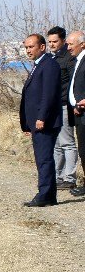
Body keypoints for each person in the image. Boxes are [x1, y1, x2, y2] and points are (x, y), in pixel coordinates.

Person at [19, 33, 63, 207]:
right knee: (42, 158)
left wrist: (41, 117)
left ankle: (44, 194)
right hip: (36, 121)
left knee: (44, 159)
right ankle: (49, 195)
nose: (28, 51)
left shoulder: (49, 65)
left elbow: (49, 94)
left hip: (45, 121)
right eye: (26, 47)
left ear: (42, 47)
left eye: (31, 47)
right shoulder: (38, 65)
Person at [47, 26, 77, 189]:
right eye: (49, 41)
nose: (52, 44)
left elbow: (72, 83)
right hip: (54, 107)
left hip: (65, 105)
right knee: (57, 144)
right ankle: (58, 177)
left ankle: (70, 178)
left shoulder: (69, 58)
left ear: (63, 41)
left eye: (55, 41)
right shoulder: (52, 58)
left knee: (67, 143)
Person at [66, 31, 85, 197]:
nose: (68, 47)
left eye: (71, 44)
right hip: (79, 113)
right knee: (83, 150)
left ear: (82, 44)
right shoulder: (76, 61)